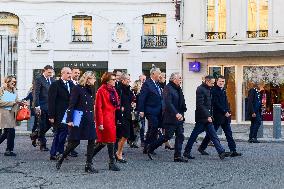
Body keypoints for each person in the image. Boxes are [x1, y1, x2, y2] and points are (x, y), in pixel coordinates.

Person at [56, 71, 97, 173]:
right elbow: (71, 104)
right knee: (74, 142)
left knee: (92, 140)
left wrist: (94, 117)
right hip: (79, 118)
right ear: (88, 79)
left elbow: (91, 105)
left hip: (89, 118)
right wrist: (69, 120)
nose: (95, 80)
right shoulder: (77, 88)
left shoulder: (91, 89)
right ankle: (62, 157)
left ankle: (88, 165)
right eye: (93, 78)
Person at [183, 75, 228, 160]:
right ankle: (186, 152)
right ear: (207, 81)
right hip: (202, 118)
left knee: (213, 135)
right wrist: (207, 116)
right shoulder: (200, 89)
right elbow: (200, 105)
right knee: (194, 135)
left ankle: (221, 152)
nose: (213, 84)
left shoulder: (208, 89)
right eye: (212, 83)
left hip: (208, 117)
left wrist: (210, 115)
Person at [147, 72, 188, 162]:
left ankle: (177, 156)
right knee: (167, 136)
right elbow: (168, 103)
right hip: (171, 117)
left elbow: (180, 102)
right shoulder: (168, 88)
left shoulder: (178, 88)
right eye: (179, 78)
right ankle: (150, 148)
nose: (181, 80)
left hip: (179, 117)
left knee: (180, 135)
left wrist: (181, 113)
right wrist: (176, 113)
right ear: (174, 79)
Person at [198, 75, 242, 157]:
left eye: (223, 81)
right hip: (217, 116)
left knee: (229, 133)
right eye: (220, 81)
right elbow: (215, 104)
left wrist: (228, 111)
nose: (221, 83)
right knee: (211, 134)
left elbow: (225, 102)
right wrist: (224, 111)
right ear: (216, 82)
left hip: (225, 117)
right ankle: (202, 148)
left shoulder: (223, 90)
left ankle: (233, 150)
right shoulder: (213, 91)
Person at [93, 72, 120, 171]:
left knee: (105, 141)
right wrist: (99, 122)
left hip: (111, 118)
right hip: (104, 119)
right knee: (108, 140)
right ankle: (111, 163)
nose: (115, 81)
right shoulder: (101, 90)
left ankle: (90, 157)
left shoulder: (113, 90)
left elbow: (115, 104)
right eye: (113, 79)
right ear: (107, 80)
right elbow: (98, 108)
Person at [48, 67, 74, 160]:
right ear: (62, 74)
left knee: (63, 133)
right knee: (60, 133)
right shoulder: (55, 84)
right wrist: (51, 115)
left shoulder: (72, 84)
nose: (69, 75)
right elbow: (51, 101)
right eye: (67, 73)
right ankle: (57, 152)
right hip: (59, 114)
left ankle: (56, 152)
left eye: (70, 73)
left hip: (69, 114)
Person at [138, 67, 163, 155]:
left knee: (153, 129)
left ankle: (148, 147)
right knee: (154, 126)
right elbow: (142, 97)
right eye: (159, 73)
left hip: (158, 110)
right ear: (153, 74)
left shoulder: (157, 84)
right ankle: (149, 145)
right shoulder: (147, 84)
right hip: (150, 110)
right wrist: (141, 110)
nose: (160, 75)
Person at [0, 76, 26, 156]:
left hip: (12, 113)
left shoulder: (14, 90)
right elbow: (0, 102)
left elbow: (16, 100)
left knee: (6, 133)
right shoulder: (2, 90)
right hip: (4, 113)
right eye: (12, 82)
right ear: (7, 81)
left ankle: (9, 149)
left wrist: (21, 102)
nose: (14, 83)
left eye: (15, 82)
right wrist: (12, 103)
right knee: (11, 131)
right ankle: (9, 150)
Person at [33, 65, 55, 151]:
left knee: (50, 124)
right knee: (42, 126)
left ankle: (36, 135)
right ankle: (43, 144)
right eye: (49, 72)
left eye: (51, 72)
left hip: (51, 106)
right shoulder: (39, 79)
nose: (50, 74)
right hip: (42, 106)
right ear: (44, 71)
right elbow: (36, 94)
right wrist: (37, 106)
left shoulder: (53, 80)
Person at [116, 73, 133, 163]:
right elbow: (116, 100)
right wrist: (120, 107)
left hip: (127, 114)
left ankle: (119, 153)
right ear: (123, 80)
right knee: (124, 135)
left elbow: (131, 99)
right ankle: (118, 154)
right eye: (128, 79)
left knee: (125, 135)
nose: (129, 81)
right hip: (121, 115)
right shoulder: (119, 89)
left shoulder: (128, 89)